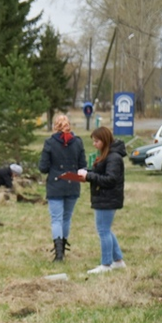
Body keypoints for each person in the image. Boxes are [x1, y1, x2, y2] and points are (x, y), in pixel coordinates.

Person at [38, 114, 86, 262]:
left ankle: (59, 254)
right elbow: (82, 165)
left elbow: (43, 168)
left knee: (56, 220)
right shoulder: (78, 142)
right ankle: (63, 249)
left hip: (55, 185)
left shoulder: (50, 143)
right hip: (72, 184)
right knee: (66, 219)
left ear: (55, 126)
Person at [80, 127, 126, 275]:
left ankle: (106, 264)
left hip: (108, 198)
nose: (94, 144)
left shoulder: (114, 158)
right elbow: (101, 173)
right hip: (104, 197)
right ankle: (118, 261)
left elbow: (110, 179)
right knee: (106, 229)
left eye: (97, 141)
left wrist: (89, 177)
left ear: (104, 141)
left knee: (103, 230)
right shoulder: (108, 155)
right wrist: (87, 173)